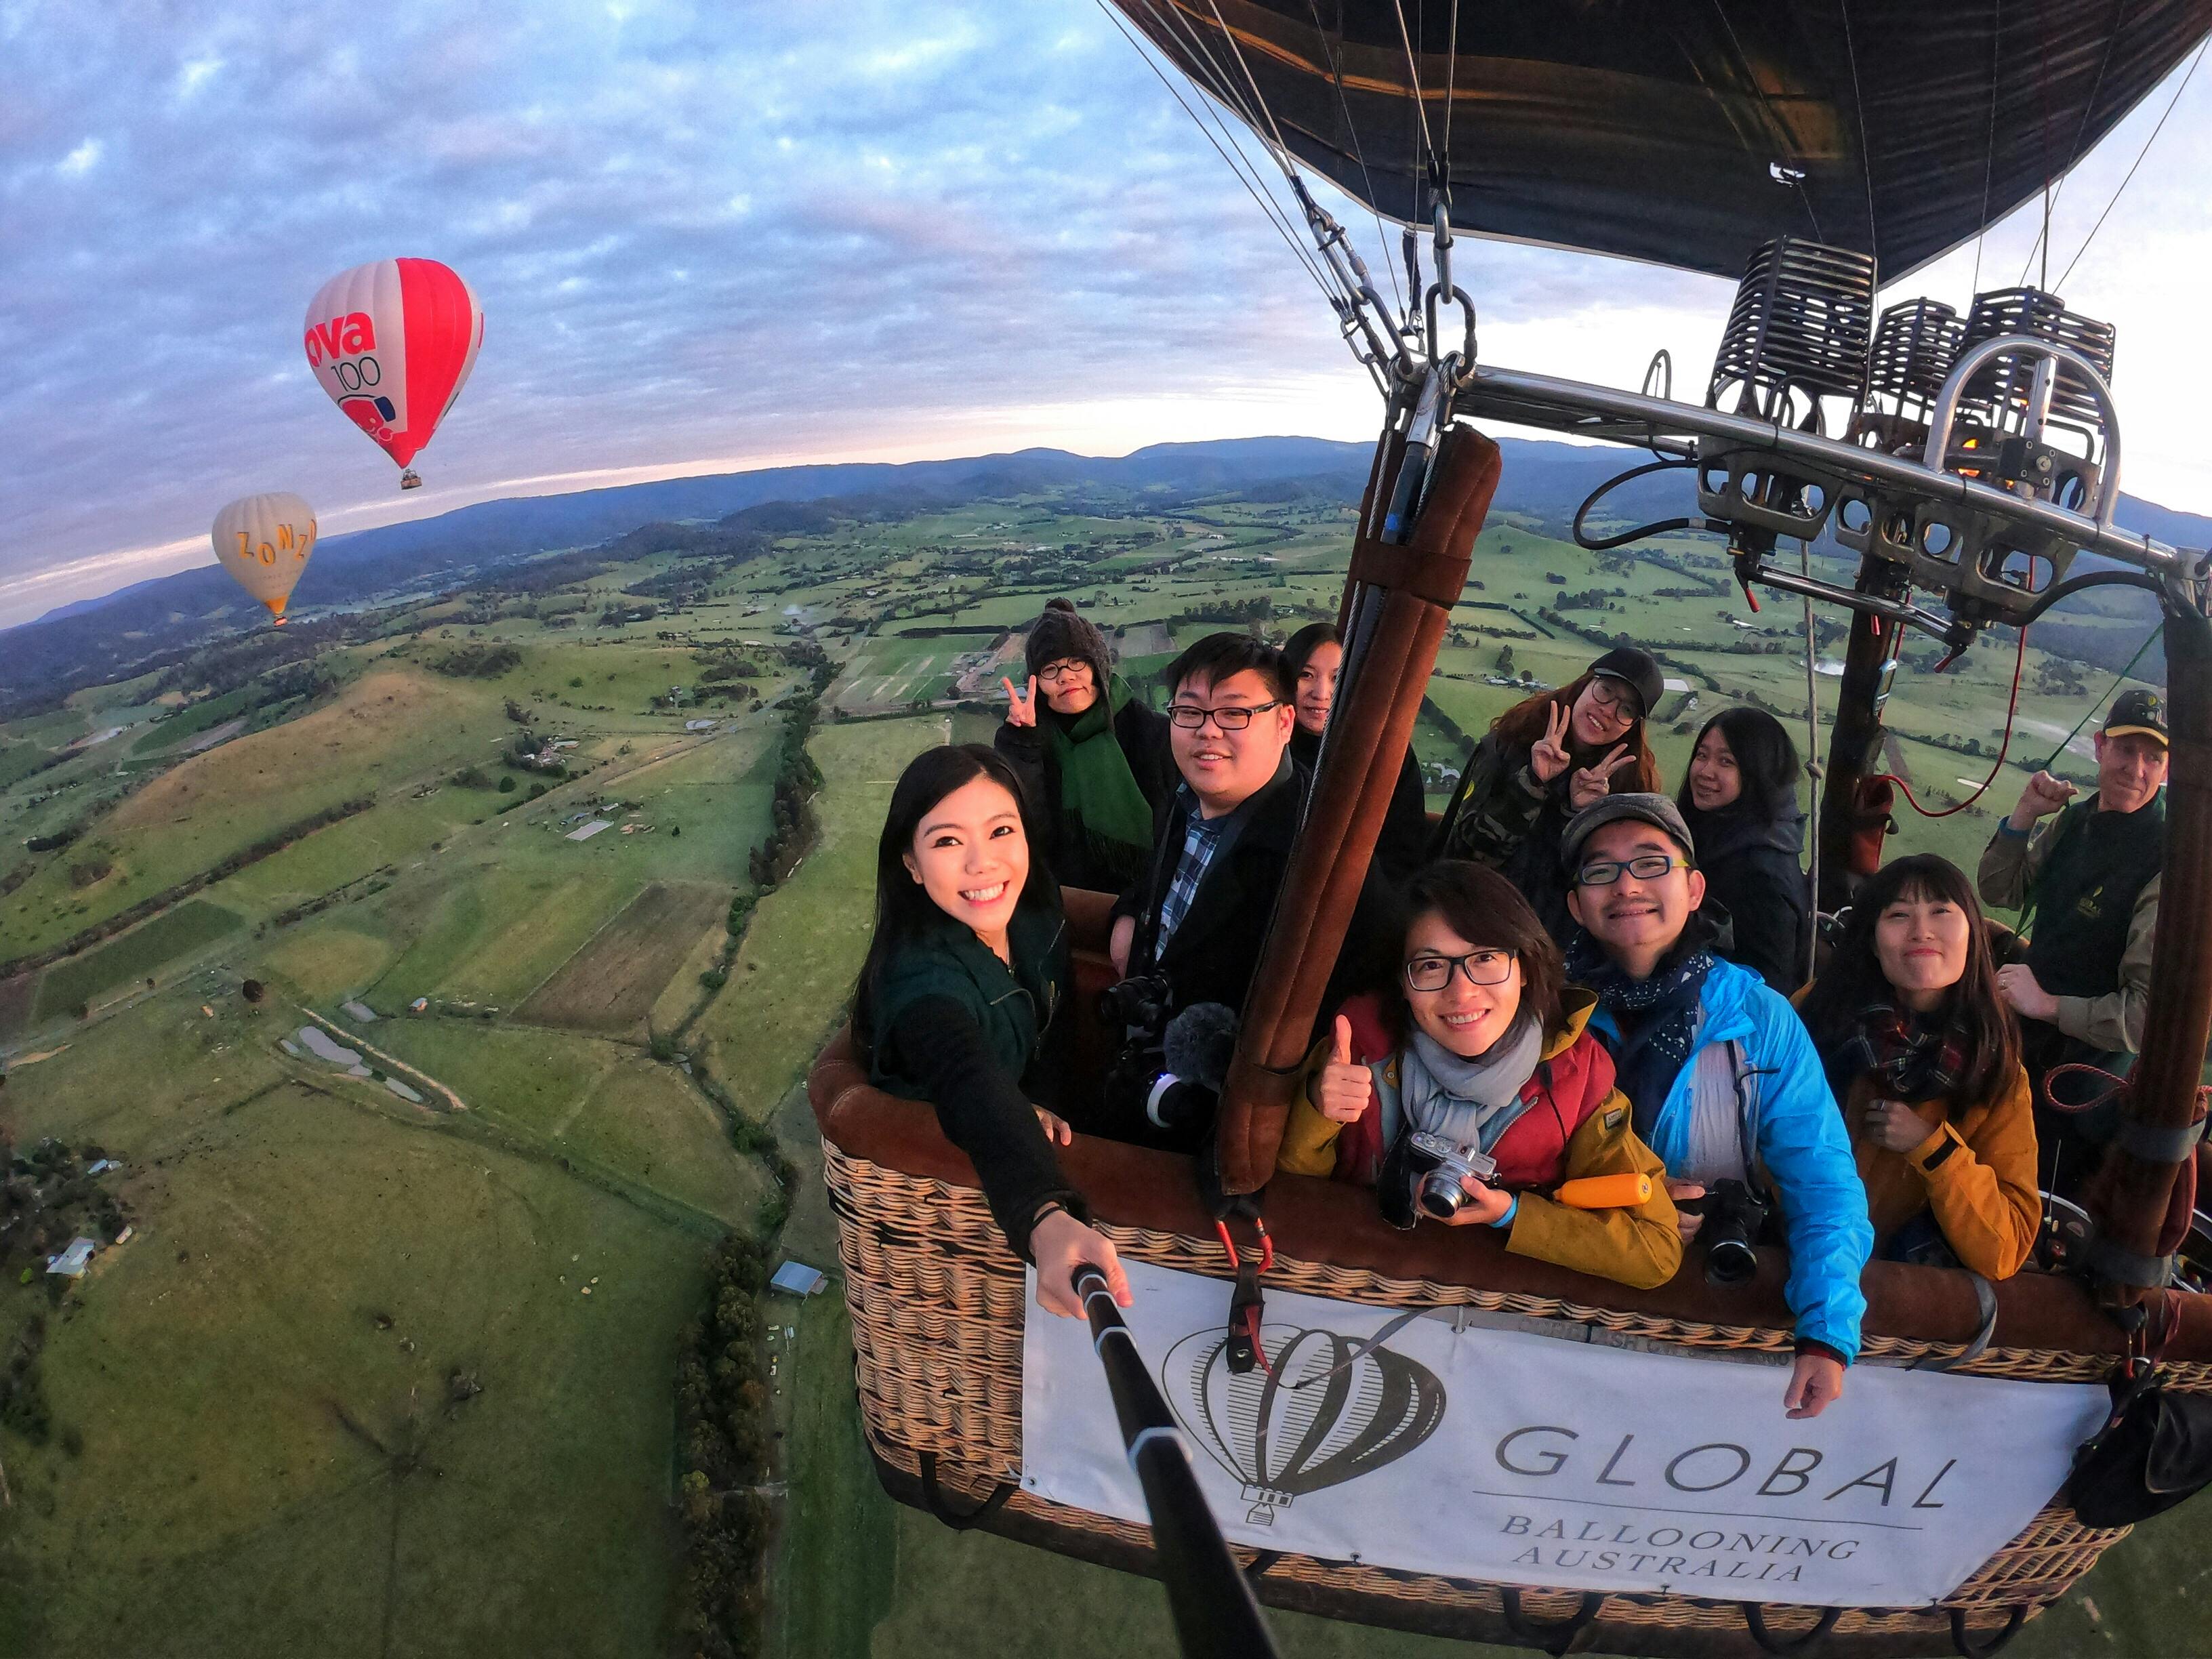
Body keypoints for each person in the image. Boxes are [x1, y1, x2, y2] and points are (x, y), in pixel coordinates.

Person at [1561, 793, 1871, 1419]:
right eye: (1600, 871)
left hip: (1700, 1316)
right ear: (1576, 905)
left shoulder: (1757, 1022)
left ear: (1695, 888)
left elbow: (1823, 1179)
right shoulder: (1539, 1009)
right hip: (1558, 1297)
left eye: (1651, 864)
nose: (1626, 886)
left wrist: (1826, 1329)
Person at [1279, 861, 1683, 1290]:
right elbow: (1278, 1195)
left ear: (1525, 967)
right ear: (1402, 981)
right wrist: (1317, 1113)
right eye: (1431, 966)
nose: (1462, 992)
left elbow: (1655, 1250)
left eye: (1486, 958)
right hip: (1351, 1291)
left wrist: (1513, 1215)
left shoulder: (1577, 1079)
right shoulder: (1355, 1053)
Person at [853, 744, 1132, 1318]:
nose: (982, 863)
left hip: (1054, 1116)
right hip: (957, 1214)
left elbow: (1056, 1028)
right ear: (911, 863)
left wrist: (1045, 1101)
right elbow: (968, 1079)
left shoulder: (1033, 907)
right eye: (948, 841)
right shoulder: (922, 985)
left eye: (1001, 830)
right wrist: (1044, 1216)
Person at [1105, 633, 1389, 1149]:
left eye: (1235, 714)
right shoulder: (1185, 801)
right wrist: (1129, 915)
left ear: (1284, 723)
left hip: (1231, 1120)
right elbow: (1167, 884)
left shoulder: (1321, 852)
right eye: (1189, 713)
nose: (1207, 732)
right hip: (1150, 1060)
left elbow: (1369, 974)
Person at [1797, 855, 2039, 1280]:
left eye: (1942, 911)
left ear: (1972, 933)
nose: (1921, 930)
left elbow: (2006, 1248)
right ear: (1873, 940)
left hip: (1899, 1295)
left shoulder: (1996, 1068)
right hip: (1790, 1263)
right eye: (1899, 914)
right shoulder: (1815, 1013)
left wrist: (1934, 1149)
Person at [1978, 690, 2167, 1189]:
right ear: (2101, 747)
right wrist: (2024, 814)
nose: (2137, 769)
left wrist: (2046, 1004)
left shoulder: (2165, 861)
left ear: (2167, 771)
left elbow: (2144, 1017)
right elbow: (2001, 889)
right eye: (2127, 750)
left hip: (2080, 1088)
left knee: (2024, 1202)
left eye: (2154, 758)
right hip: (2023, 1049)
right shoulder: (2077, 821)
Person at [1433, 647, 1665, 943]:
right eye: (1605, 690)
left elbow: (1601, 893)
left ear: (1633, 727)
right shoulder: (1508, 745)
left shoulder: (1626, 790)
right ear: (1585, 683)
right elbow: (1465, 855)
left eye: (1628, 710)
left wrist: (1581, 816)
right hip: (1469, 920)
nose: (1609, 711)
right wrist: (1532, 784)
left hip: (1549, 946)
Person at [996, 597, 1171, 893]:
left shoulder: (1152, 733)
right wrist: (1023, 744)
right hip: (1068, 899)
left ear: (1099, 666)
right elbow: (1028, 830)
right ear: (1037, 682)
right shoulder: (1028, 741)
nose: (1066, 677)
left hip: (1147, 897)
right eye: (1051, 669)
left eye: (1077, 662)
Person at [1282, 621, 1429, 882]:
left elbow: (1403, 852)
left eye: (1336, 678)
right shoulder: (1267, 745)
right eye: (1306, 674)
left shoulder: (1385, 751)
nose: (1321, 693)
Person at [1677, 707, 1813, 992]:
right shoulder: (1716, 833)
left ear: (1758, 772)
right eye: (1702, 755)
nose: (1705, 771)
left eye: (1726, 762)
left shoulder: (1762, 875)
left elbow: (1766, 989)